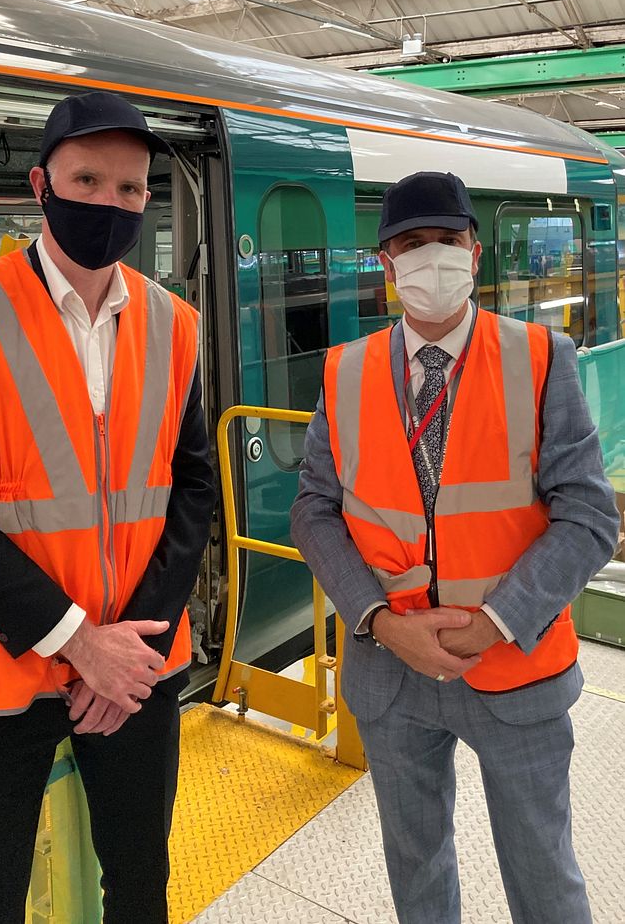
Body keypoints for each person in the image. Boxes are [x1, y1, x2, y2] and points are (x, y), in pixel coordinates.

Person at [0, 91, 216, 924]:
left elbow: (191, 492)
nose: (108, 203)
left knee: (141, 882)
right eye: (87, 179)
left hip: (135, 670)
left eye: (130, 189)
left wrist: (131, 653)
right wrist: (82, 644)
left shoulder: (175, 325)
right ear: (41, 184)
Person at [291, 171, 620, 924]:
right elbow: (314, 509)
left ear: (476, 253)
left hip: (515, 667)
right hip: (390, 674)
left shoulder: (541, 358)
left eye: (447, 241)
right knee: (416, 870)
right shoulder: (345, 373)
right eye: (411, 244)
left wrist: (496, 619)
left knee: (544, 875)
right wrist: (379, 619)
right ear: (386, 266)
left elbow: (589, 517)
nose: (430, 257)